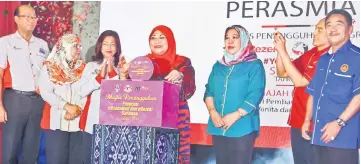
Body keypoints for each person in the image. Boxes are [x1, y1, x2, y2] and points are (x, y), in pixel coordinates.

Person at [302, 9, 360, 164]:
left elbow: (359, 95)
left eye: (339, 24)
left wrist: (339, 123)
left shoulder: (357, 57)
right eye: (329, 25)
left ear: (350, 29)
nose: (333, 29)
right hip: (318, 136)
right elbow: (313, 92)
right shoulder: (323, 59)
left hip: (343, 138)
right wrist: (307, 120)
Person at [204, 25, 265, 164]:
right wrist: (213, 112)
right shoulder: (218, 66)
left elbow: (256, 94)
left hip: (242, 126)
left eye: (235, 38)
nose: (230, 41)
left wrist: (235, 115)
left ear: (243, 40)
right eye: (227, 38)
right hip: (218, 125)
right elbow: (209, 90)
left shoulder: (254, 65)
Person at [274, 18, 330, 164]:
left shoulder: (329, 56)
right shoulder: (311, 53)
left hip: (314, 124)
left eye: (320, 30)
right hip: (297, 122)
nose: (314, 33)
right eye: (315, 28)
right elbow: (282, 72)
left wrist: (283, 51)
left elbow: (300, 82)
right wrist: (279, 50)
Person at [0, 5, 49, 164]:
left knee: (32, 149)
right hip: (14, 100)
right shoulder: (5, 42)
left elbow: (48, 73)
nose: (31, 20)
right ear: (16, 19)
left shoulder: (42, 45)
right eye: (26, 16)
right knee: (10, 150)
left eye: (33, 17)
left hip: (37, 101)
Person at [77, 30, 127, 163]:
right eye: (105, 44)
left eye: (113, 44)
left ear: (117, 47)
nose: (109, 47)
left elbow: (123, 95)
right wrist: (98, 78)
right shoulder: (90, 66)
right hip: (91, 123)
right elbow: (81, 91)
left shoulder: (122, 67)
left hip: (114, 125)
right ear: (100, 46)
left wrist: (112, 73)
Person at [38, 34, 86, 164]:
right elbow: (46, 92)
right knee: (56, 159)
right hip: (56, 121)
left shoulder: (83, 68)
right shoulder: (50, 67)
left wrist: (77, 109)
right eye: (75, 46)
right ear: (65, 47)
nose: (78, 49)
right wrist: (66, 106)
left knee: (76, 160)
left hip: (78, 122)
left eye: (79, 46)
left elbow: (87, 92)